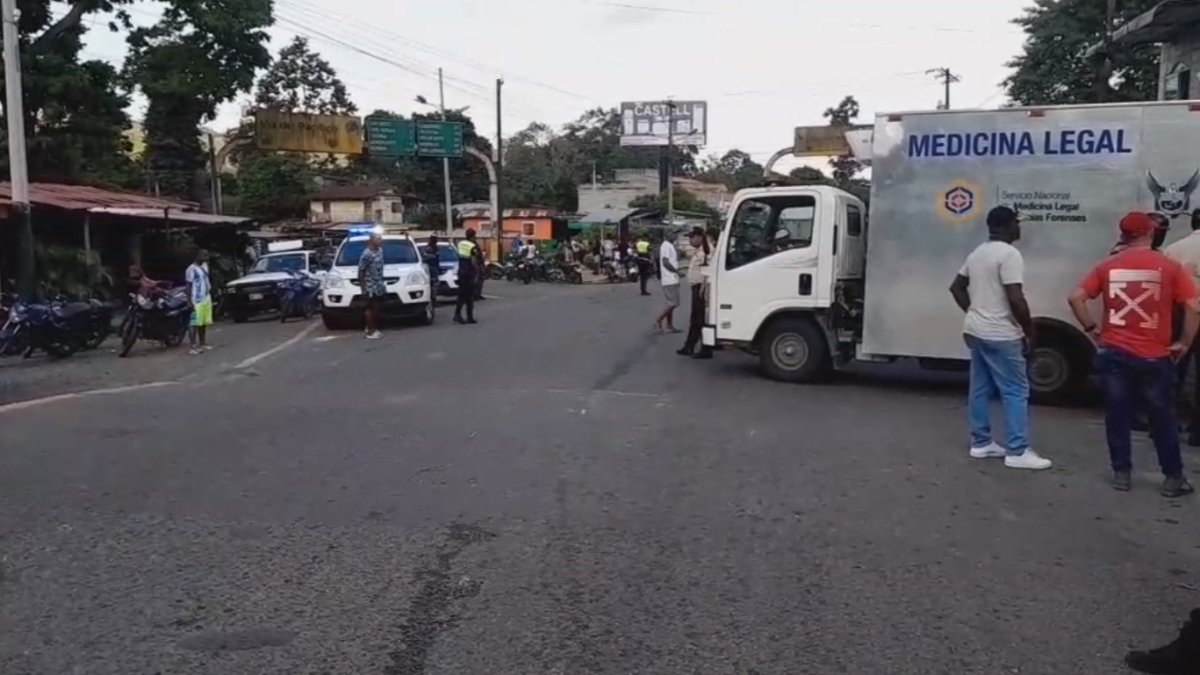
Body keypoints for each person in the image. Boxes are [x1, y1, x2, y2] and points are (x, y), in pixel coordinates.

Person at [1069, 211, 1199, 496]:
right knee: (1162, 416)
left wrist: (1092, 328)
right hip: (1155, 355)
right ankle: (1173, 478)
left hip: (1114, 352)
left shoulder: (1107, 266)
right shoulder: (1169, 267)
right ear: (1150, 233)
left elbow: (1075, 297)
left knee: (1117, 414)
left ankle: (1122, 474)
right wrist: (1184, 343)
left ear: (1124, 235)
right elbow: (1193, 306)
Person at [948, 206, 1051, 470]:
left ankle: (980, 443)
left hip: (974, 330)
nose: (1020, 228)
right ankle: (1017, 451)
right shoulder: (1009, 254)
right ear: (1007, 226)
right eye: (1017, 223)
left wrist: (974, 311)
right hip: (1000, 334)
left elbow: (956, 287)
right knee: (1016, 389)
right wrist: (1029, 330)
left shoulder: (978, 252)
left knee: (980, 387)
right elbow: (1015, 297)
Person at [1164, 209, 1200, 445]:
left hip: (1179, 314)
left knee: (1173, 371)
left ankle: (1166, 423)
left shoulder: (1174, 249)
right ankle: (1197, 432)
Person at [677, 227, 714, 359]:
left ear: (699, 237)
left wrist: (704, 290)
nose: (690, 240)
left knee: (700, 319)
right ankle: (691, 346)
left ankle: (705, 348)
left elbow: (708, 272)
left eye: (692, 237)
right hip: (697, 288)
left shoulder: (706, 250)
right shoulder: (700, 250)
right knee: (697, 319)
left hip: (701, 288)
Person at [185, 250, 214, 355]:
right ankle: (192, 346)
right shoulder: (191, 269)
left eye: (207, 255)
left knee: (203, 322)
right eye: (204, 255)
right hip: (196, 299)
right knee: (194, 322)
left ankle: (202, 342)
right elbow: (188, 286)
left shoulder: (205, 266)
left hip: (206, 297)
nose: (206, 257)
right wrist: (189, 301)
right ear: (197, 256)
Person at [358, 233, 386, 340]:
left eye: (380, 238)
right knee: (370, 308)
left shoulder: (380, 251)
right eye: (377, 239)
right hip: (370, 286)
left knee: (377, 308)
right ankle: (370, 332)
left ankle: (371, 326)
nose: (380, 241)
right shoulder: (366, 254)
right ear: (371, 240)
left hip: (379, 285)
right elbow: (361, 271)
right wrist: (363, 288)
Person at [454, 228, 484, 324]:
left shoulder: (460, 244)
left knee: (462, 295)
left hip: (461, 271)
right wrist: (476, 272)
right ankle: (467, 316)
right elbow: (474, 261)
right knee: (469, 296)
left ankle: (458, 314)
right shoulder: (473, 246)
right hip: (469, 273)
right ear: (473, 236)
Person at [655, 232, 682, 334]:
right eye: (672, 234)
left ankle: (670, 326)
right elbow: (665, 262)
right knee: (673, 302)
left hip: (672, 278)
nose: (674, 236)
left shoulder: (670, 245)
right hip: (669, 278)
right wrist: (676, 271)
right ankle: (659, 320)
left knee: (670, 302)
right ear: (666, 235)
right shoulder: (666, 246)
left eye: (675, 234)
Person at [423, 234, 441, 301]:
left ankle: (432, 298)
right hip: (432, 266)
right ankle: (433, 298)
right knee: (434, 283)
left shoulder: (429, 247)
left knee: (432, 283)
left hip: (430, 267)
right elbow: (435, 256)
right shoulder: (432, 247)